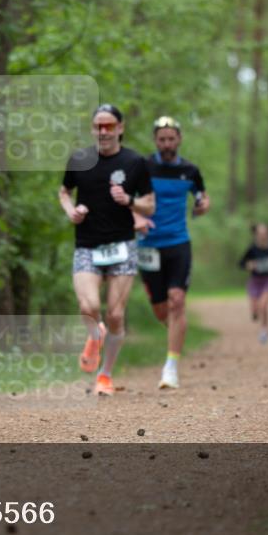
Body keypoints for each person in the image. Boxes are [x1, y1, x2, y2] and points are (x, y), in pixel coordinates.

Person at [59, 104, 155, 396]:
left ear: (120, 128)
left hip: (122, 246)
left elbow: (150, 204)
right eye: (98, 126)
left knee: (115, 314)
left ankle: (105, 375)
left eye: (109, 126)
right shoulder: (79, 159)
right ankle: (95, 334)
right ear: (92, 129)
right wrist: (71, 211)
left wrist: (129, 200)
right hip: (87, 244)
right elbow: (64, 191)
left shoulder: (135, 162)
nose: (103, 131)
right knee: (88, 307)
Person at [133, 116, 209, 389]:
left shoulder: (190, 170)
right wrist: (136, 218)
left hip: (178, 242)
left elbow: (202, 196)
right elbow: (129, 199)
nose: (166, 144)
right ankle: (176, 336)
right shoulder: (143, 166)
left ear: (179, 139)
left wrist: (202, 206)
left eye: (171, 139)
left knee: (177, 300)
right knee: (161, 310)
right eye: (162, 139)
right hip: (148, 245)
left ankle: (171, 367)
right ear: (155, 140)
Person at [240, 223, 268, 344]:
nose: (262, 236)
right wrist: (248, 265)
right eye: (260, 234)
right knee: (255, 309)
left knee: (263, 306)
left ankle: (264, 330)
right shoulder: (252, 249)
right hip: (255, 281)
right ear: (256, 235)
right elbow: (241, 263)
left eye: (264, 233)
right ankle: (255, 313)